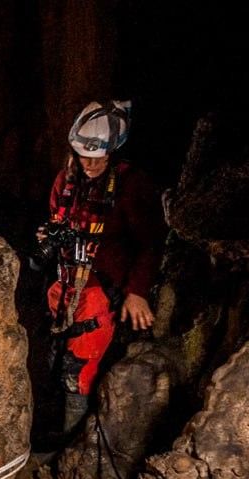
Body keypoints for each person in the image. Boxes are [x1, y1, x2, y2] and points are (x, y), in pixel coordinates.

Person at [38, 100, 167, 435]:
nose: (90, 164)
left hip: (103, 287)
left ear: (113, 153)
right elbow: (58, 220)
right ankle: (53, 432)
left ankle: (72, 445)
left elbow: (151, 243)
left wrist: (137, 292)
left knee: (78, 368)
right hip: (67, 282)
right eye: (84, 156)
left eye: (98, 157)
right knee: (54, 363)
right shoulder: (65, 181)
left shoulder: (131, 186)